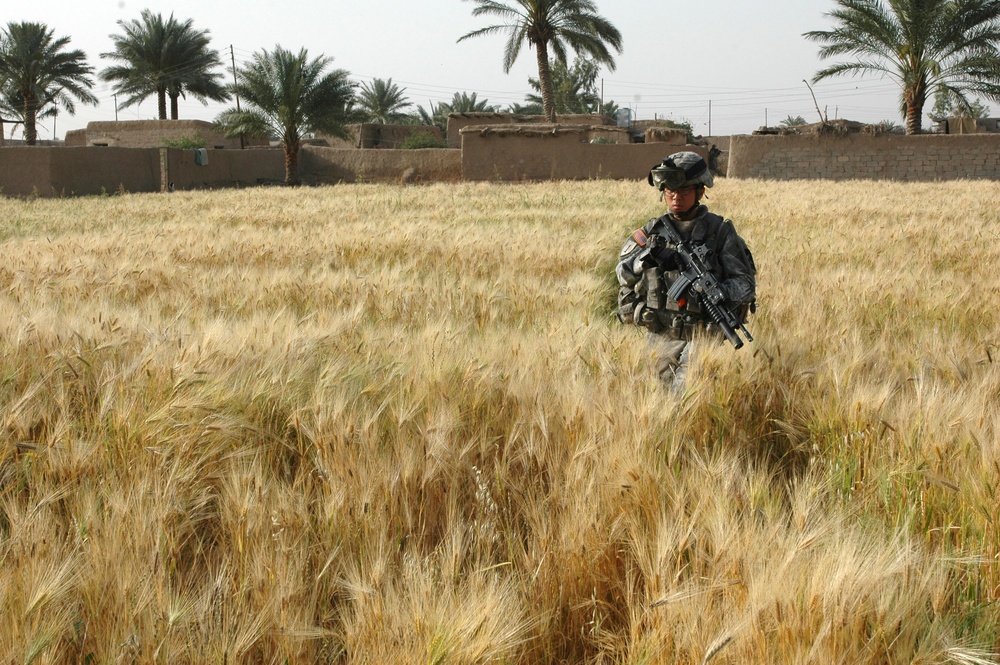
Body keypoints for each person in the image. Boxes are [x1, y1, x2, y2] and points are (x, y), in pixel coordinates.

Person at [615, 151, 756, 392]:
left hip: (704, 334)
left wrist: (719, 291)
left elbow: (746, 285)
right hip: (661, 334)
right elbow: (623, 274)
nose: (676, 197)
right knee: (655, 397)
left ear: (700, 192)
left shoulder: (720, 233)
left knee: (684, 394)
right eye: (670, 191)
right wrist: (647, 259)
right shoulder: (651, 232)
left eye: (684, 191)